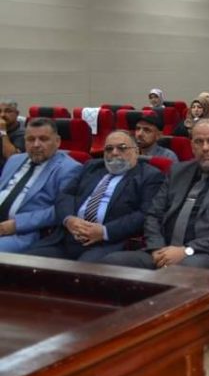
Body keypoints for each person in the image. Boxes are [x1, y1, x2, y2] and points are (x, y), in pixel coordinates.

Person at [103, 119, 209, 270]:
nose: (205, 148)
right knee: (111, 262)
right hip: (164, 250)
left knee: (179, 270)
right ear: (192, 146)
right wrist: (157, 248)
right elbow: (153, 215)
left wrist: (187, 250)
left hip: (205, 253)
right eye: (199, 142)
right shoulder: (177, 171)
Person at [25, 131, 163, 262]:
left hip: (106, 242)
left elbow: (144, 214)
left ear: (136, 151)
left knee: (82, 272)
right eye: (109, 149)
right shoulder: (92, 167)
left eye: (122, 148)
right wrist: (69, 219)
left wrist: (103, 231)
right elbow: (65, 195)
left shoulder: (149, 176)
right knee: (27, 262)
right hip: (68, 236)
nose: (114, 153)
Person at [0, 118, 82, 253]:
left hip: (23, 232)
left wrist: (17, 224)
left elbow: (61, 209)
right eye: (30, 139)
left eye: (43, 139)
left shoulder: (69, 169)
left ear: (57, 141)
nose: (36, 145)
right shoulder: (14, 160)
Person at [1, 99, 26, 167]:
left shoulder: (23, 133)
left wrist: (3, 131)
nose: (2, 115)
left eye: (8, 111)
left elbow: (12, 157)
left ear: (17, 113)